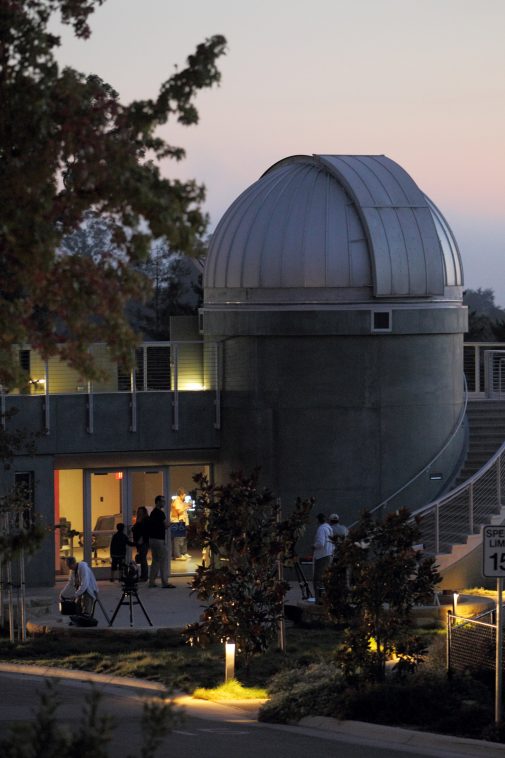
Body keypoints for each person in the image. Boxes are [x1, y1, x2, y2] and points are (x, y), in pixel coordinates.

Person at [147, 495, 175, 588]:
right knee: (163, 560)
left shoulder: (153, 513)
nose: (164, 503)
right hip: (159, 540)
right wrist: (172, 522)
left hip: (152, 539)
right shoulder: (160, 513)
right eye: (162, 501)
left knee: (155, 561)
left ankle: (152, 581)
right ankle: (164, 582)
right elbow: (165, 525)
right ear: (158, 502)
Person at [312, 513, 333, 603]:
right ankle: (326, 598)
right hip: (329, 555)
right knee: (325, 578)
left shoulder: (321, 529)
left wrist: (313, 546)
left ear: (318, 520)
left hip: (322, 556)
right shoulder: (329, 528)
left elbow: (320, 543)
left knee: (318, 579)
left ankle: (319, 600)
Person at [170, 488, 191, 560]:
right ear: (181, 495)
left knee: (180, 538)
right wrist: (186, 506)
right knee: (177, 539)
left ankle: (179, 553)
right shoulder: (177, 501)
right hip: (176, 522)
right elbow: (179, 511)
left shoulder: (181, 501)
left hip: (179, 522)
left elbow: (184, 514)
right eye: (184, 495)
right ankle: (177, 555)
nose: (185, 497)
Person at [132, 505, 150, 581]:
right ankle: (143, 575)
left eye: (140, 512)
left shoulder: (145, 520)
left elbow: (144, 531)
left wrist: (141, 539)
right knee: (142, 558)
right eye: (138, 512)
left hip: (143, 542)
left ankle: (144, 576)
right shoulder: (139, 520)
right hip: (139, 542)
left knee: (143, 559)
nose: (139, 513)